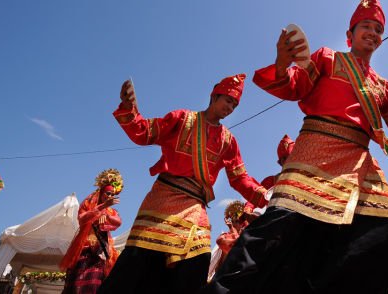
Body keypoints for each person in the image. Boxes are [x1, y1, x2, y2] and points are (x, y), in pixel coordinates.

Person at [205, 0, 388, 293]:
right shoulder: (326, 58)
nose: (372, 33)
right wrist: (283, 64)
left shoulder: (383, 88)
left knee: (387, 234)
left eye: (377, 30)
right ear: (350, 34)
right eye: (366, 27)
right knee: (276, 235)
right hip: (315, 152)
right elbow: (294, 86)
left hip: (360, 165)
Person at [98, 74, 268, 294]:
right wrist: (129, 108)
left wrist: (268, 196)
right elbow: (146, 133)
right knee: (138, 264)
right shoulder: (181, 118)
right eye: (228, 100)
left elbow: (240, 178)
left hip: (195, 207)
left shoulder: (228, 140)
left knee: (197, 261)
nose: (230, 107)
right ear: (214, 96)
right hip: (162, 200)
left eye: (234, 105)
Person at [60, 169, 123, 294]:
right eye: (108, 193)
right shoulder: (90, 204)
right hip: (84, 252)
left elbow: (118, 222)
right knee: (78, 286)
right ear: (101, 192)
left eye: (112, 194)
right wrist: (100, 208)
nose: (110, 197)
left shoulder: (111, 211)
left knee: (96, 287)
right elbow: (81, 218)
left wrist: (106, 213)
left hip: (101, 255)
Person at [243, 134, 294, 215]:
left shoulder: (304, 178)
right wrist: (248, 208)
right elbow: (255, 198)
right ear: (280, 162)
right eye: (284, 159)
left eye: (289, 157)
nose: (287, 161)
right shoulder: (270, 181)